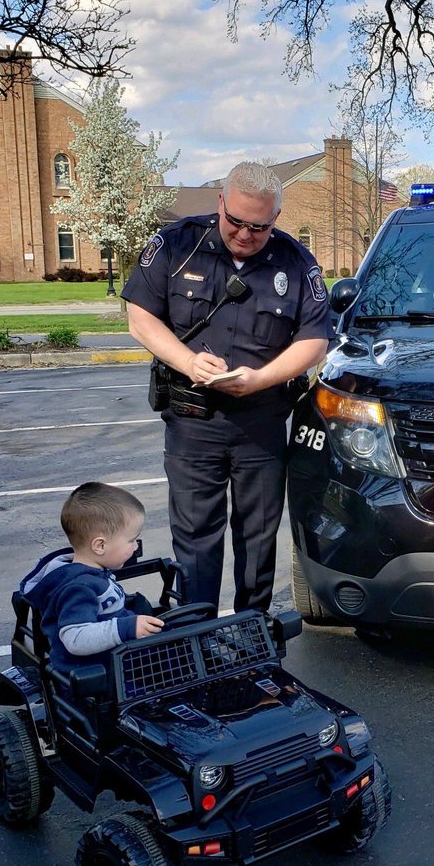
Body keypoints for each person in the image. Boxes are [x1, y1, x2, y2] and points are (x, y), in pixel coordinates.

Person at [122, 161, 333, 614]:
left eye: (259, 227)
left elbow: (315, 339)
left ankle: (251, 634)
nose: (245, 234)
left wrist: (260, 379)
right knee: (196, 536)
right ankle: (197, 632)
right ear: (220, 201)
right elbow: (140, 315)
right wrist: (187, 361)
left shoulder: (296, 263)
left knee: (257, 537)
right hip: (192, 418)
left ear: (275, 217)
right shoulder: (178, 244)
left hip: (261, 421)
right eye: (236, 221)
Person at [20, 482, 163, 672]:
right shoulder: (79, 588)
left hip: (114, 663)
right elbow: (76, 639)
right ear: (100, 546)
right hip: (96, 677)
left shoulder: (94, 572)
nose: (136, 546)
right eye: (131, 540)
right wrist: (126, 627)